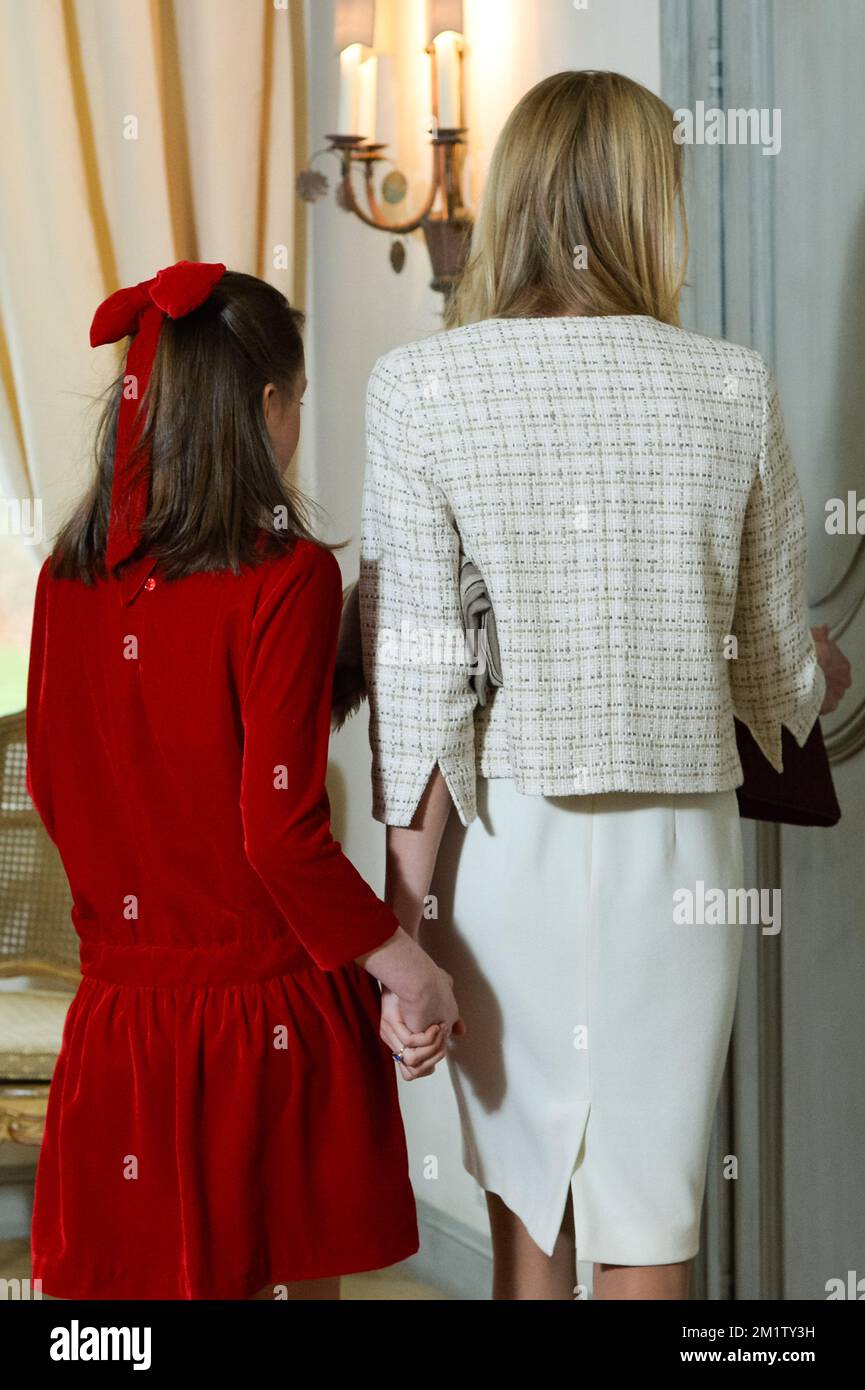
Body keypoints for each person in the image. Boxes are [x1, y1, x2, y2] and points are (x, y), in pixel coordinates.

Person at [358, 70, 849, 1301]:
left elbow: (422, 685)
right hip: (679, 860)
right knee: (651, 1214)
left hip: (505, 850)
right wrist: (820, 661)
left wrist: (400, 933)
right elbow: (772, 674)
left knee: (530, 1217)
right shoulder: (731, 384)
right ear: (649, 203)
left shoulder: (424, 387)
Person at [25, 261, 460, 1301]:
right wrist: (411, 969)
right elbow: (277, 833)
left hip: (120, 1018)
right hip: (264, 1015)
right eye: (301, 400)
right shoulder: (289, 576)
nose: (300, 419)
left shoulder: (65, 579)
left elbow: (58, 778)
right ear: (266, 404)